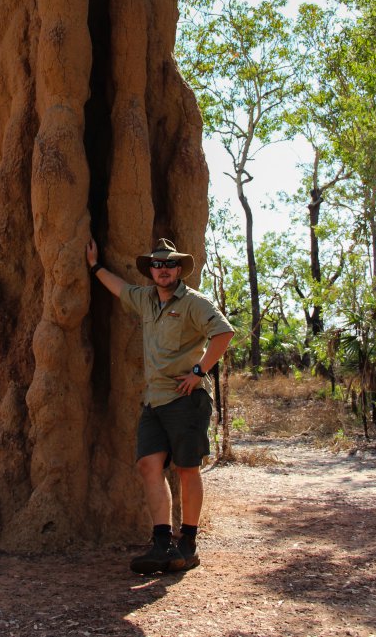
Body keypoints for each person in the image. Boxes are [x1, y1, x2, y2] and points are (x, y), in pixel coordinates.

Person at [86, 236, 234, 574]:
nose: (163, 269)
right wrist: (95, 267)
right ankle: (162, 542)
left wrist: (199, 371)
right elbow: (120, 288)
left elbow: (223, 333)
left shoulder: (194, 302)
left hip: (185, 399)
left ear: (179, 269)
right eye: (157, 264)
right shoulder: (146, 300)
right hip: (153, 401)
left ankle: (189, 542)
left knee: (186, 468)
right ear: (150, 270)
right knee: (149, 466)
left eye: (169, 264)